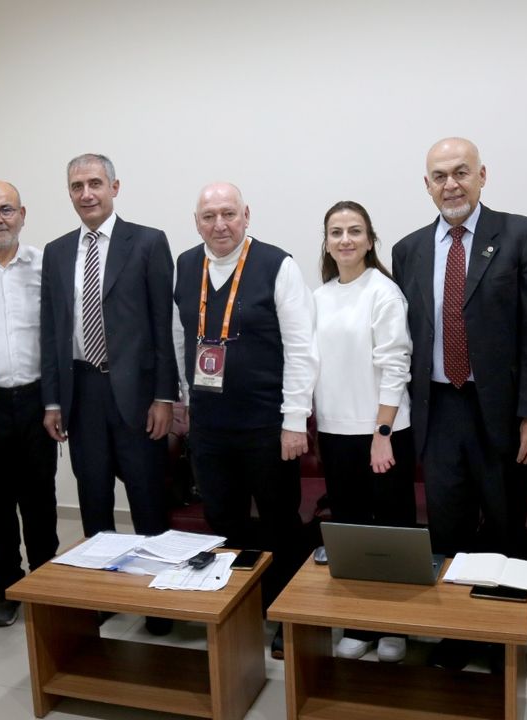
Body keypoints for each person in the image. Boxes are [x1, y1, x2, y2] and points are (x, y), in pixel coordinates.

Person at [390, 138, 527, 670]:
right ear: (427, 185)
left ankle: (504, 637)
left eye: (461, 172)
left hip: (503, 411)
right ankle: (459, 635)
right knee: (447, 528)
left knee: (505, 525)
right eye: (439, 176)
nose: (451, 185)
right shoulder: (408, 250)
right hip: (439, 409)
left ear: (482, 175)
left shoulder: (522, 235)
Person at [173, 182, 318, 658]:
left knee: (279, 522)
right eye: (209, 216)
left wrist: (295, 420)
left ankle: (284, 613)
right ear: (197, 222)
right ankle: (237, 609)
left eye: (228, 214)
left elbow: (301, 348)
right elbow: (181, 338)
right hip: (209, 427)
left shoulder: (278, 265)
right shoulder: (186, 265)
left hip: (266, 426)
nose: (220, 224)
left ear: (246, 215)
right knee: (223, 521)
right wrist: (183, 400)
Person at [39, 154, 176, 540]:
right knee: (94, 499)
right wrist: (52, 401)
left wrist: (165, 397)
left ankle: (155, 574)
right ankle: (102, 576)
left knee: (147, 499)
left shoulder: (148, 242)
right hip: (83, 393)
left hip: (138, 395)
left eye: (95, 184)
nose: (86, 194)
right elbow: (50, 332)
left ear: (114, 188)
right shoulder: (57, 251)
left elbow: (163, 326)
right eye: (77, 186)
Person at [312, 201, 415, 663]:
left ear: (370, 240)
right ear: (327, 242)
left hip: (383, 433)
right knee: (350, 533)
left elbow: (395, 364)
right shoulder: (319, 297)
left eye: (355, 231)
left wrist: (382, 432)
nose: (346, 240)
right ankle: (359, 622)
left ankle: (396, 626)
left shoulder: (384, 292)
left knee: (391, 533)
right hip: (335, 432)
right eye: (336, 232)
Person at [0, 181, 59, 628]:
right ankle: (7, 584)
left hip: (37, 401)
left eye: (6, 209)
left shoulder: (45, 265)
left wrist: (55, 402)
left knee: (40, 499)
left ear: (22, 214)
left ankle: (44, 582)